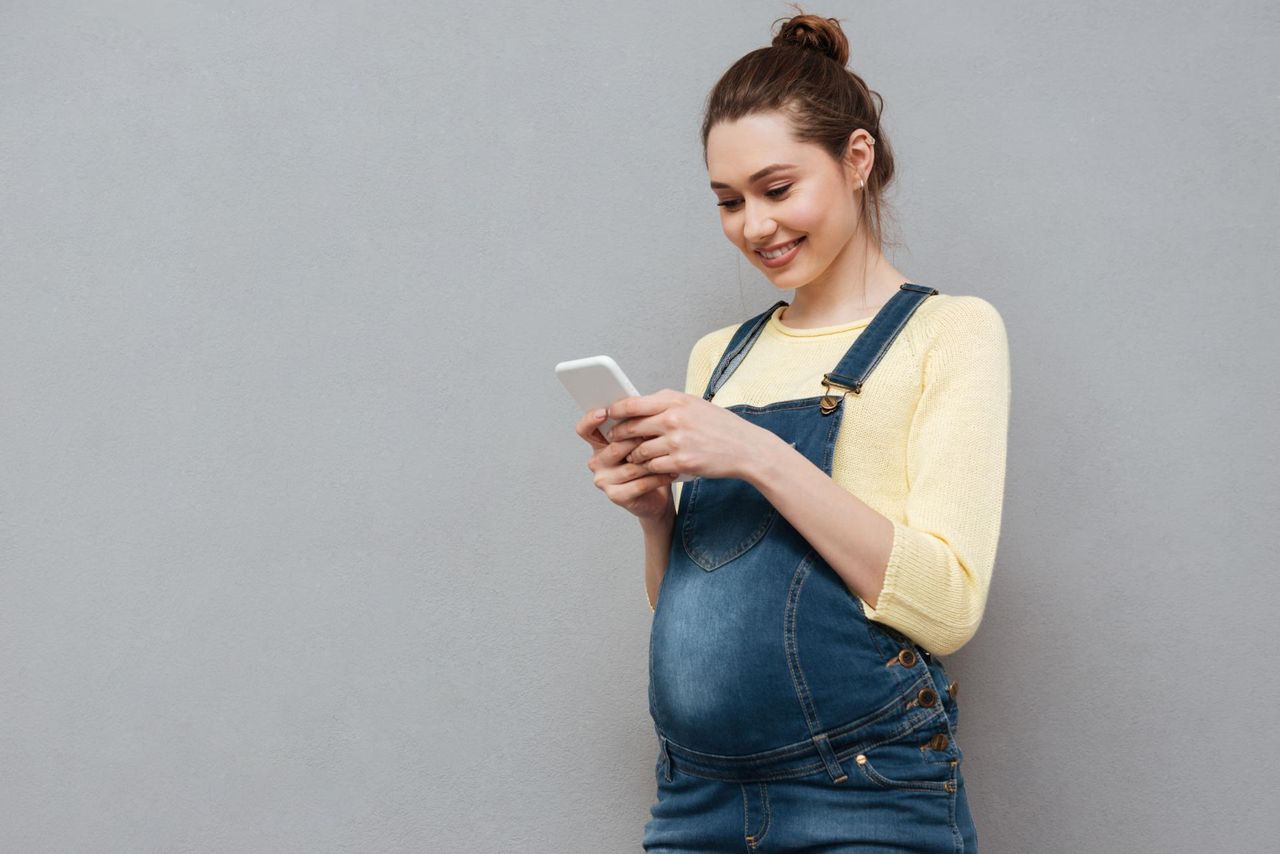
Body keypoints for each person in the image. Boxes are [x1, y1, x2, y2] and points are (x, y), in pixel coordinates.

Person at [572, 9, 1009, 851]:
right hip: (696, 795)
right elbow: (698, 611)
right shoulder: (720, 358)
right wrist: (658, 517)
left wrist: (756, 455)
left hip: (868, 789)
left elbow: (948, 607)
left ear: (855, 159)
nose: (754, 227)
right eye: (729, 202)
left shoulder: (949, 333)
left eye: (777, 190)